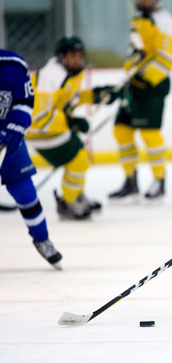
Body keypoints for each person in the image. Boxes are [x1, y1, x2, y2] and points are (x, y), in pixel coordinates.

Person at [25, 36, 121, 220]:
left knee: (80, 156)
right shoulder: (51, 76)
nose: (78, 60)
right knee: (78, 158)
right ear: (62, 57)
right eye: (73, 56)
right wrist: (70, 122)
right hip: (37, 131)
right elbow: (38, 115)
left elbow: (71, 98)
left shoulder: (69, 73)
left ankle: (75, 196)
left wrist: (98, 95)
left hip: (49, 128)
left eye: (80, 56)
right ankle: (69, 202)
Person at [108, 0, 172, 201]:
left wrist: (145, 80)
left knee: (150, 134)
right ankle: (130, 181)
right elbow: (136, 53)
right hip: (135, 84)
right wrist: (129, 78)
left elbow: (167, 56)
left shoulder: (165, 21)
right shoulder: (140, 19)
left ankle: (159, 181)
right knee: (121, 130)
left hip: (152, 85)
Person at [0, 49, 63, 269]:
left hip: (9, 140)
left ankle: (42, 239)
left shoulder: (13, 65)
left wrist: (15, 126)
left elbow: (25, 100)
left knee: (25, 191)